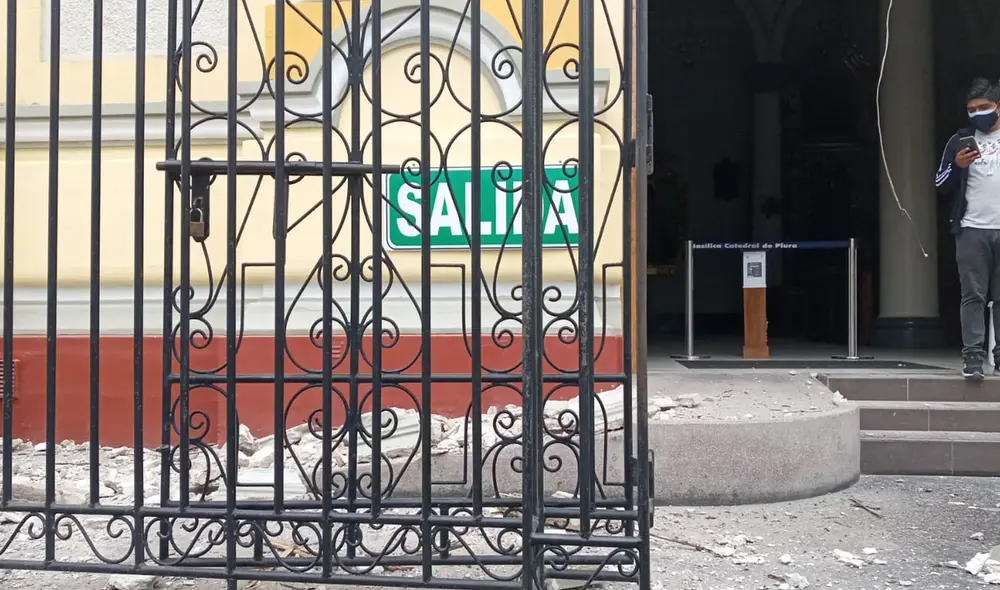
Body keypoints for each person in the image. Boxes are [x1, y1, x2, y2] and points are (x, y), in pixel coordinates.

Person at [936, 77, 1000, 379]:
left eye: (983, 107)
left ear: (998, 106)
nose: (977, 114)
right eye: (971, 109)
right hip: (972, 228)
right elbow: (940, 184)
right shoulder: (959, 140)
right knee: (973, 295)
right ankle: (973, 358)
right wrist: (956, 166)